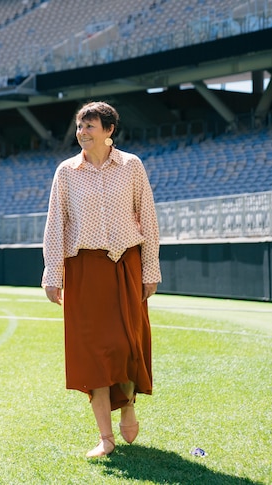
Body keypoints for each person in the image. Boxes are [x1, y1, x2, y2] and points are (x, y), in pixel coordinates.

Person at [41, 101, 161, 458]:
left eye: (90, 126)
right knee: (92, 353)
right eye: (80, 126)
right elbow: (55, 225)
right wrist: (53, 273)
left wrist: (150, 270)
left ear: (109, 131)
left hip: (127, 264)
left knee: (127, 345)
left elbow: (149, 220)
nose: (82, 133)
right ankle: (105, 438)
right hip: (84, 269)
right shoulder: (66, 172)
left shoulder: (132, 166)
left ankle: (127, 407)